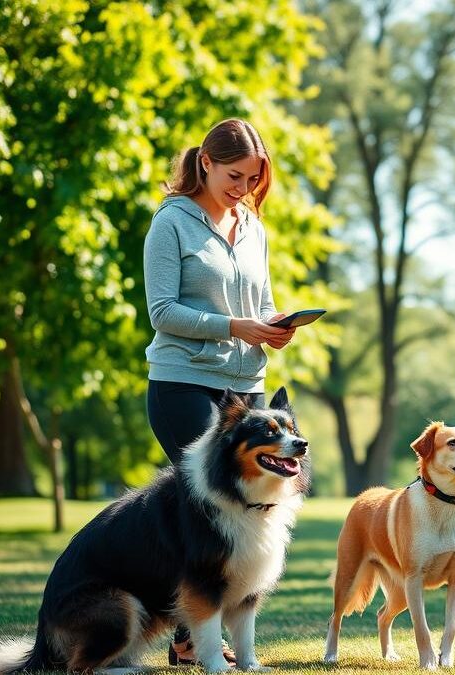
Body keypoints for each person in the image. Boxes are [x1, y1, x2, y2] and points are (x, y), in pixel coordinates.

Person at [143, 118, 298, 665]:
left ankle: (190, 639)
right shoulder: (171, 223)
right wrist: (236, 326)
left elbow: (260, 302)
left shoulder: (253, 226)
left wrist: (271, 327)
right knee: (208, 514)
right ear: (205, 163)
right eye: (235, 176)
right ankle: (194, 638)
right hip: (183, 382)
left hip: (246, 389)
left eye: (253, 180)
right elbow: (161, 311)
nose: (244, 189)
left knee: (245, 517)